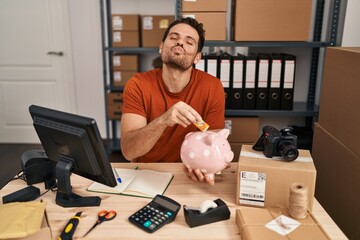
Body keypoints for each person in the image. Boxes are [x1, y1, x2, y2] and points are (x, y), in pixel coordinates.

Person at [120, 17, 226, 185]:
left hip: (187, 173)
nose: (180, 43)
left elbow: (214, 145)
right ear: (161, 47)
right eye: (173, 38)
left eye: (189, 42)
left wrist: (202, 167)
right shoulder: (138, 84)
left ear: (197, 57)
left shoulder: (212, 86)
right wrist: (163, 120)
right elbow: (128, 151)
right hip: (145, 174)